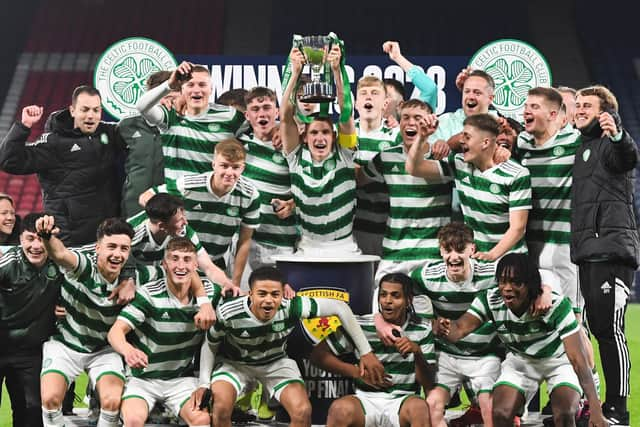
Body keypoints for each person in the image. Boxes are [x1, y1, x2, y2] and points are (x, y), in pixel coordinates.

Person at [35, 216, 214, 427]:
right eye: (111, 247)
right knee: (50, 398)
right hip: (67, 344)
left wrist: (203, 301)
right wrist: (46, 236)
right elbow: (60, 253)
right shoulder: (84, 266)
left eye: (123, 249)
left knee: (111, 402)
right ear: (98, 247)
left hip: (105, 350)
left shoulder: (137, 276)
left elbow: (181, 270)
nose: (117, 254)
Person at [193, 266, 385, 427]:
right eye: (262, 294)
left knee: (302, 411)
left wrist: (366, 352)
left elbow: (340, 307)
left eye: (275, 294)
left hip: (275, 363)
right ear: (250, 293)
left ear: (281, 294)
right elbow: (210, 344)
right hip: (235, 364)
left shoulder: (292, 307)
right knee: (221, 408)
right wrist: (203, 383)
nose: (269, 300)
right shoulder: (229, 312)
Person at [435, 253, 607, 427]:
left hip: (558, 361)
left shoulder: (556, 305)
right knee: (500, 414)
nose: (507, 288)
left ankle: (578, 407)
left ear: (530, 284)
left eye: (516, 282)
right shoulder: (490, 300)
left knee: (564, 414)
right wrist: (440, 327)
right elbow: (459, 330)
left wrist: (595, 409)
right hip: (521, 361)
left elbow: (578, 360)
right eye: (503, 281)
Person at [571, 85, 639, 426]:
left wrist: (618, 134)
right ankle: (592, 406)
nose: (579, 108)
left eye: (587, 105)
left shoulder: (610, 145)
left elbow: (628, 157)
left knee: (611, 330)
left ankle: (618, 411)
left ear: (604, 113)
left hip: (611, 252)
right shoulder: (581, 146)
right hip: (586, 253)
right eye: (577, 104)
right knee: (590, 329)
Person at [108, 237, 219, 427]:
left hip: (180, 379)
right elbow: (115, 332)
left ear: (195, 265)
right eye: (174, 259)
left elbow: (241, 298)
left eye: (186, 259)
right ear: (164, 264)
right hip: (142, 378)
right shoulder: (149, 294)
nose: (180, 265)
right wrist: (128, 351)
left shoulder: (210, 293)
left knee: (201, 420)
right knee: (133, 421)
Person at [0, 86, 125, 246]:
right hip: (71, 241)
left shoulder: (108, 133)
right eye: (85, 110)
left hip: (107, 236)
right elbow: (8, 161)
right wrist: (24, 126)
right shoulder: (54, 142)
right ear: (72, 111)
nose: (91, 116)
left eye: (96, 110)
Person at [310, 273, 436, 427]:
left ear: (408, 300)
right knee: (339, 409)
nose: (388, 301)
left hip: (403, 400)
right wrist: (356, 372)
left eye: (395, 296)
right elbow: (318, 355)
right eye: (383, 295)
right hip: (365, 399)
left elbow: (428, 383)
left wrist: (417, 353)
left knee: (419, 408)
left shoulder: (422, 328)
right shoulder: (360, 325)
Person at [406, 113, 532, 261]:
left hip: (511, 261)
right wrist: (421, 137)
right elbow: (414, 168)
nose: (461, 140)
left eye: (467, 137)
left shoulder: (517, 174)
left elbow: (518, 228)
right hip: (477, 259)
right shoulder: (460, 164)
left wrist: (492, 255)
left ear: (485, 143)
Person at [140, 138, 261, 286]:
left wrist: (235, 283)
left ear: (243, 168)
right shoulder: (188, 185)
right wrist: (168, 220)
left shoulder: (250, 195)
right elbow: (145, 197)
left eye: (235, 167)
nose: (229, 172)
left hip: (214, 265)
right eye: (224, 166)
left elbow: (244, 241)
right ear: (214, 165)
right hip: (179, 262)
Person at [359, 99, 451, 286]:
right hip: (394, 253)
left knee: (427, 314)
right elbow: (356, 180)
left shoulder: (443, 157)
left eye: (418, 118)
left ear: (430, 122)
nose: (410, 122)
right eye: (405, 118)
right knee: (379, 310)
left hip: (432, 255)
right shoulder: (385, 157)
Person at [280, 45, 360, 255]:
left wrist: (336, 70)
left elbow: (346, 113)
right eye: (314, 132)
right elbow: (286, 116)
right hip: (307, 247)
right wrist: (295, 72)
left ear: (334, 137)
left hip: (344, 248)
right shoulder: (295, 157)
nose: (320, 137)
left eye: (325, 132)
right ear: (304, 137)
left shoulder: (345, 154)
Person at [0, 213, 63, 427]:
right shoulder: (6, 264)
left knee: (31, 411)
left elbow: (100, 251)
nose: (36, 246)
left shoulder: (62, 263)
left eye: (41, 239)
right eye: (30, 238)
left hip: (31, 352)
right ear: (20, 240)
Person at [136, 62, 245, 182]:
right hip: (178, 197)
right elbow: (142, 106)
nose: (196, 90)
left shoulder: (230, 115)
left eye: (202, 85)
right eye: (190, 85)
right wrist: (169, 85)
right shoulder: (171, 115)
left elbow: (260, 134)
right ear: (182, 90)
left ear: (211, 89)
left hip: (213, 197)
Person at [128, 193, 237, 292]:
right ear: (162, 226)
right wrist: (127, 281)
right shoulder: (130, 232)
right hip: (134, 277)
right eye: (180, 220)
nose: (185, 222)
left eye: (184, 216)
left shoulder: (185, 232)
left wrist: (226, 283)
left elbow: (208, 267)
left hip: (163, 279)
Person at [239, 87, 297, 268]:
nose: (261, 113)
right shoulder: (240, 143)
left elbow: (311, 189)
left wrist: (293, 205)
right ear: (247, 116)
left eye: (266, 107)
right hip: (244, 244)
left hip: (282, 244)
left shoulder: (292, 145)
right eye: (255, 109)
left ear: (276, 112)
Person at [119, 71, 180, 218]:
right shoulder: (126, 126)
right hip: (133, 208)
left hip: (171, 210)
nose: (168, 103)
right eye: (162, 98)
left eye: (172, 98)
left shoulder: (186, 127)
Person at [353, 75, 400, 256]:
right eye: (363, 94)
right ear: (356, 103)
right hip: (353, 231)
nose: (368, 97)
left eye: (374, 93)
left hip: (387, 230)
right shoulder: (341, 133)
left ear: (385, 103)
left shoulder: (396, 136)